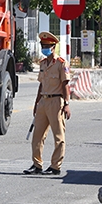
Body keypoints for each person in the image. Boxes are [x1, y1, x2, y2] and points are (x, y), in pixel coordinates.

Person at [24, 31, 71, 176]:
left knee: (59, 136)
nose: (44, 48)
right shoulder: (43, 63)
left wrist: (67, 103)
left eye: (47, 46)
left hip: (57, 101)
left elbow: (65, 84)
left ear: (53, 47)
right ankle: (37, 164)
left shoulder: (61, 64)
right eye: (42, 45)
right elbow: (41, 84)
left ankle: (55, 166)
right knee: (37, 135)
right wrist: (37, 102)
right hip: (43, 101)